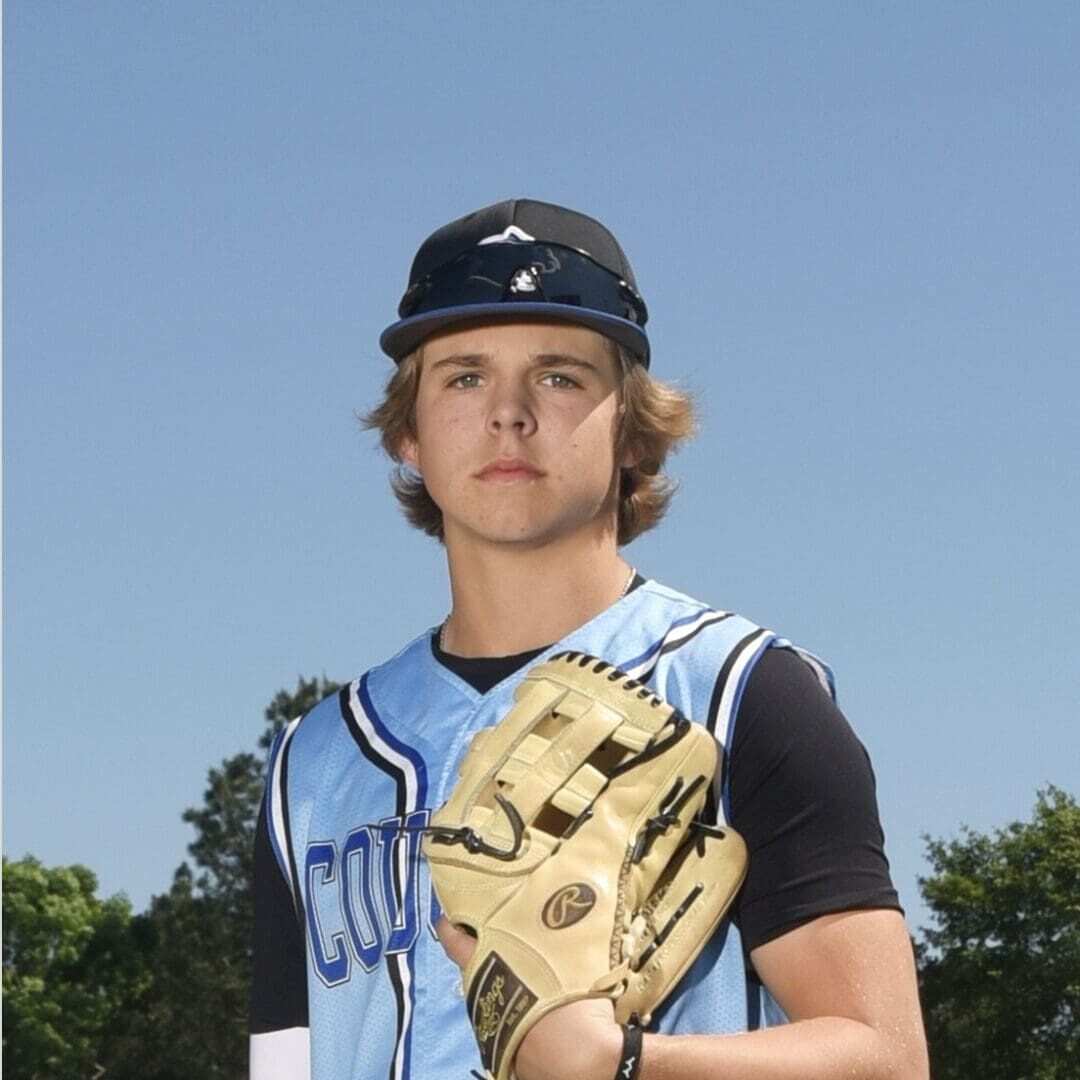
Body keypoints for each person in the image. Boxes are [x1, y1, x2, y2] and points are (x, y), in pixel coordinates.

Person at [249, 199, 929, 1080]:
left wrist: (629, 1065)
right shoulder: (315, 760)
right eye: (462, 377)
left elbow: (890, 1060)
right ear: (408, 433)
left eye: (560, 375)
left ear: (632, 428)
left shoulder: (744, 693)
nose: (508, 414)